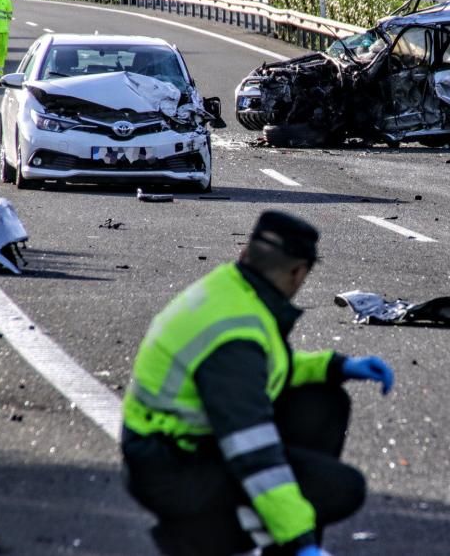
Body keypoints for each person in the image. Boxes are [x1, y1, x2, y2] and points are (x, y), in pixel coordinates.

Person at [122, 210, 394, 556]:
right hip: (172, 469)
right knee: (340, 489)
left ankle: (241, 531)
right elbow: (253, 453)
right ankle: (196, 540)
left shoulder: (229, 290)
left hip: (178, 445)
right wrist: (300, 540)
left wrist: (335, 366)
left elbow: (260, 372)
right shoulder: (236, 335)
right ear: (298, 273)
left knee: (323, 400)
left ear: (244, 255)